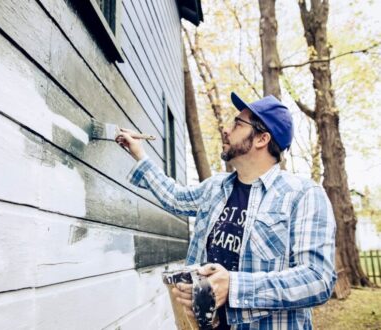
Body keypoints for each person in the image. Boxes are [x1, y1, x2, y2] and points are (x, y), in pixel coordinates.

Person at [117, 92, 337, 329]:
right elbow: (175, 198)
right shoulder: (215, 187)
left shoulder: (303, 194)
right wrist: (138, 152)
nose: (226, 129)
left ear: (262, 139)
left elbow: (318, 279)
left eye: (237, 123)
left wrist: (233, 285)